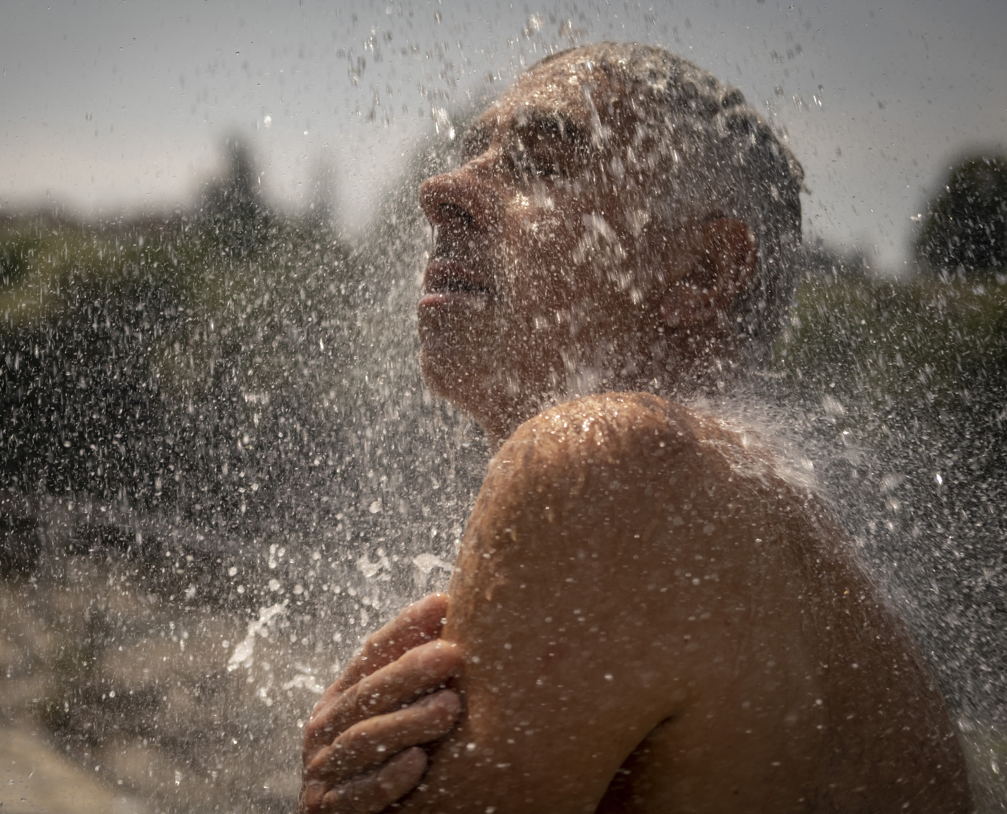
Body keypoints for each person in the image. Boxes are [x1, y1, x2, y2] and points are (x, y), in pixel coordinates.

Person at [299, 42, 971, 813]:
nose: (440, 190)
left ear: (702, 273)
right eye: (476, 154)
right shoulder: (763, 528)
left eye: (542, 162)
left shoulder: (613, 461)